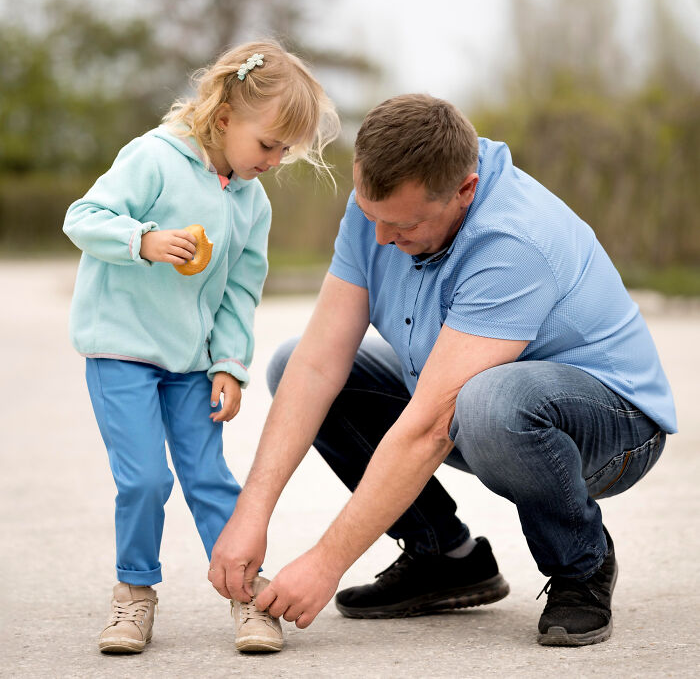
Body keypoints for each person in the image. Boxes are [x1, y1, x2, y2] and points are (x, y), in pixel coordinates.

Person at [207, 93, 677, 647]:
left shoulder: (514, 241)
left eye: (402, 224)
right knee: (290, 363)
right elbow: (315, 367)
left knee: (488, 403)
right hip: (482, 411)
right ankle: (446, 558)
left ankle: (581, 564)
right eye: (370, 214)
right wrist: (249, 515)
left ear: (465, 190)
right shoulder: (377, 210)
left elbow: (432, 424)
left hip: (611, 428)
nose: (380, 238)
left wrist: (325, 562)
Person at [62, 40, 339, 655]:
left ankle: (246, 595)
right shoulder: (153, 159)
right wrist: (143, 239)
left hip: (191, 363)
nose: (273, 161)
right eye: (267, 145)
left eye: (284, 152)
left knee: (211, 480)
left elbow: (241, 292)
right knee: (144, 482)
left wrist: (230, 366)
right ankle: (134, 594)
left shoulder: (252, 202)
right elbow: (82, 217)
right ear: (223, 119)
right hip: (122, 351)